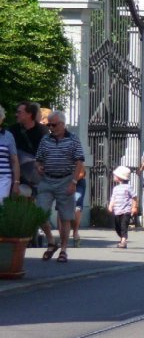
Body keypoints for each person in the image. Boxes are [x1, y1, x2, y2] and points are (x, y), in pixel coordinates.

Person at [35, 110, 85, 263]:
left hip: (65, 180)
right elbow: (38, 159)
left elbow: (79, 162)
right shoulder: (45, 139)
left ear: (62, 125)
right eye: (49, 124)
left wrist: (74, 182)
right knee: (39, 213)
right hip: (47, 180)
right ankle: (51, 241)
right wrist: (39, 167)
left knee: (65, 217)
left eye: (54, 124)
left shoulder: (73, 139)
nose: (50, 127)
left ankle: (63, 249)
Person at [9, 101, 48, 196]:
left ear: (29, 114)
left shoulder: (42, 131)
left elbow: (47, 151)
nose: (16, 114)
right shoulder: (13, 130)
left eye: (19, 112)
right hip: (17, 168)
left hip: (35, 168)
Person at [107, 166, 138, 248]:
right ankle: (122, 238)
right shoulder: (116, 188)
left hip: (126, 211)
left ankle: (123, 241)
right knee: (117, 226)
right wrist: (110, 205)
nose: (113, 177)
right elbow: (113, 198)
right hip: (117, 210)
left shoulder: (128, 187)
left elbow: (134, 197)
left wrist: (134, 207)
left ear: (120, 177)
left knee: (124, 226)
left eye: (115, 176)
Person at [0, 105, 21, 204]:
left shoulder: (8, 136)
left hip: (4, 178)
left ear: (1, 119)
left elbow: (14, 160)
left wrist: (16, 182)